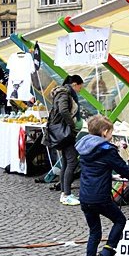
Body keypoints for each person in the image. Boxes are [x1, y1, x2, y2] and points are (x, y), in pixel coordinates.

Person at [76, 115, 129, 256]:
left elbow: (100, 165)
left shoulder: (85, 148)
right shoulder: (106, 150)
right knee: (120, 220)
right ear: (105, 132)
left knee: (95, 232)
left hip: (85, 196)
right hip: (100, 197)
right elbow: (124, 169)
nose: (112, 135)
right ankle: (107, 253)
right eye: (111, 132)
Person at [51, 74, 85, 204]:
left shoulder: (64, 93)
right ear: (75, 84)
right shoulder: (65, 94)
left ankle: (64, 192)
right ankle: (66, 194)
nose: (80, 90)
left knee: (66, 162)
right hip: (65, 133)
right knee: (72, 162)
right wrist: (71, 125)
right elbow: (64, 110)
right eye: (80, 87)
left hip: (64, 132)